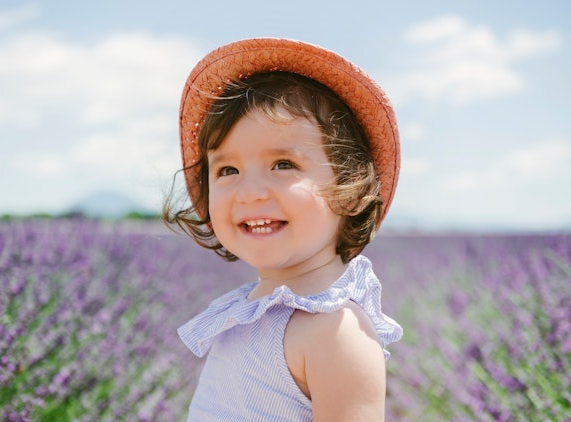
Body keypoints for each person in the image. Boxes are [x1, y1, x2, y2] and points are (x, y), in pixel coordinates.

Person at [164, 38, 403, 421]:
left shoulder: (335, 331)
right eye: (228, 170)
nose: (251, 192)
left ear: (353, 188)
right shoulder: (248, 310)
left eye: (283, 164)